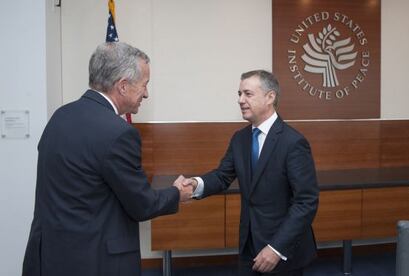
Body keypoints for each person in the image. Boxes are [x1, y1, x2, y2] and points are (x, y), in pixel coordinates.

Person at [22, 42, 193, 276]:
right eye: (144, 85)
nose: (146, 93)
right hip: (95, 261)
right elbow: (142, 205)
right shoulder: (118, 133)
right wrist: (177, 194)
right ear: (123, 86)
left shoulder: (60, 117)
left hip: (51, 256)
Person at [181, 70, 319, 275]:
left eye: (247, 94)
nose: (240, 100)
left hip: (282, 251)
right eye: (239, 94)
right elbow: (222, 176)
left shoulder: (293, 142)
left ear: (270, 97)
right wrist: (195, 184)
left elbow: (306, 202)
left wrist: (276, 248)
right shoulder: (240, 138)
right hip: (249, 245)